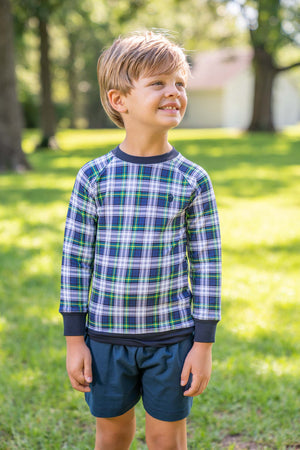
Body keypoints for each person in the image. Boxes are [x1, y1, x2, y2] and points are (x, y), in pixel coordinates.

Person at [59, 30, 221, 450]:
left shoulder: (192, 180)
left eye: (180, 83)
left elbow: (207, 267)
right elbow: (75, 263)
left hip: (172, 339)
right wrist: (75, 341)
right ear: (119, 100)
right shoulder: (93, 177)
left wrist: (202, 345)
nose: (174, 92)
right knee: (112, 434)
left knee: (167, 438)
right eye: (158, 83)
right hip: (106, 340)